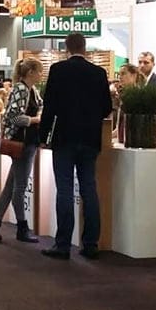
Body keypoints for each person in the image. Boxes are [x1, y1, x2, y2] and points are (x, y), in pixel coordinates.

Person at [40, 34, 113, 261]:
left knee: (64, 190)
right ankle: (91, 244)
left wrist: (44, 135)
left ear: (67, 48)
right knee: (89, 189)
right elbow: (106, 108)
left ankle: (63, 245)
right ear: (85, 47)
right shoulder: (99, 73)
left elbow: (49, 106)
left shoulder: (58, 70)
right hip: (90, 139)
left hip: (64, 138)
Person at [0, 59, 43, 243]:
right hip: (23, 142)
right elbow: (12, 117)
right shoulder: (21, 89)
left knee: (10, 187)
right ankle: (22, 228)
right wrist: (34, 120)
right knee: (20, 187)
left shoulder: (30, 90)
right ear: (31, 72)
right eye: (39, 71)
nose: (41, 74)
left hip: (26, 142)